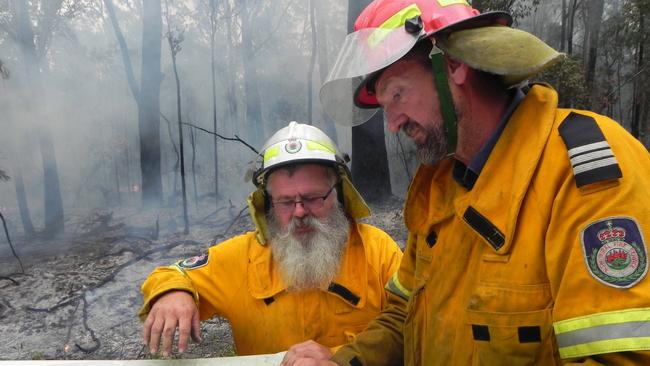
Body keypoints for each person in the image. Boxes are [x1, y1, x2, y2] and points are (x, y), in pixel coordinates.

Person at [282, 0, 650, 365]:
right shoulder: (437, 187)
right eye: (384, 105)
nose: (392, 123)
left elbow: (620, 358)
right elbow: (402, 318)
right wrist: (343, 362)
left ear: (453, 64)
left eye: (397, 94)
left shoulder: (580, 173)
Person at [138, 121, 402, 357]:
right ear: (267, 204)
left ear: (341, 194)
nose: (299, 212)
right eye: (285, 202)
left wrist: (339, 357)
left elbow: (409, 325)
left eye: (312, 198)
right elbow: (171, 274)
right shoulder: (245, 256)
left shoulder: (377, 250)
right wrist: (174, 292)